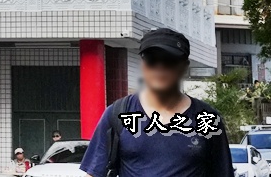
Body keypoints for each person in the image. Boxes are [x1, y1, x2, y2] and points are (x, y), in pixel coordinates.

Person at [79, 28, 235, 177]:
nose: (160, 67)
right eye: (152, 59)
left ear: (184, 66)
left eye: (169, 61)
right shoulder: (118, 114)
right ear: (143, 64)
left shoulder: (207, 118)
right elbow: (93, 173)